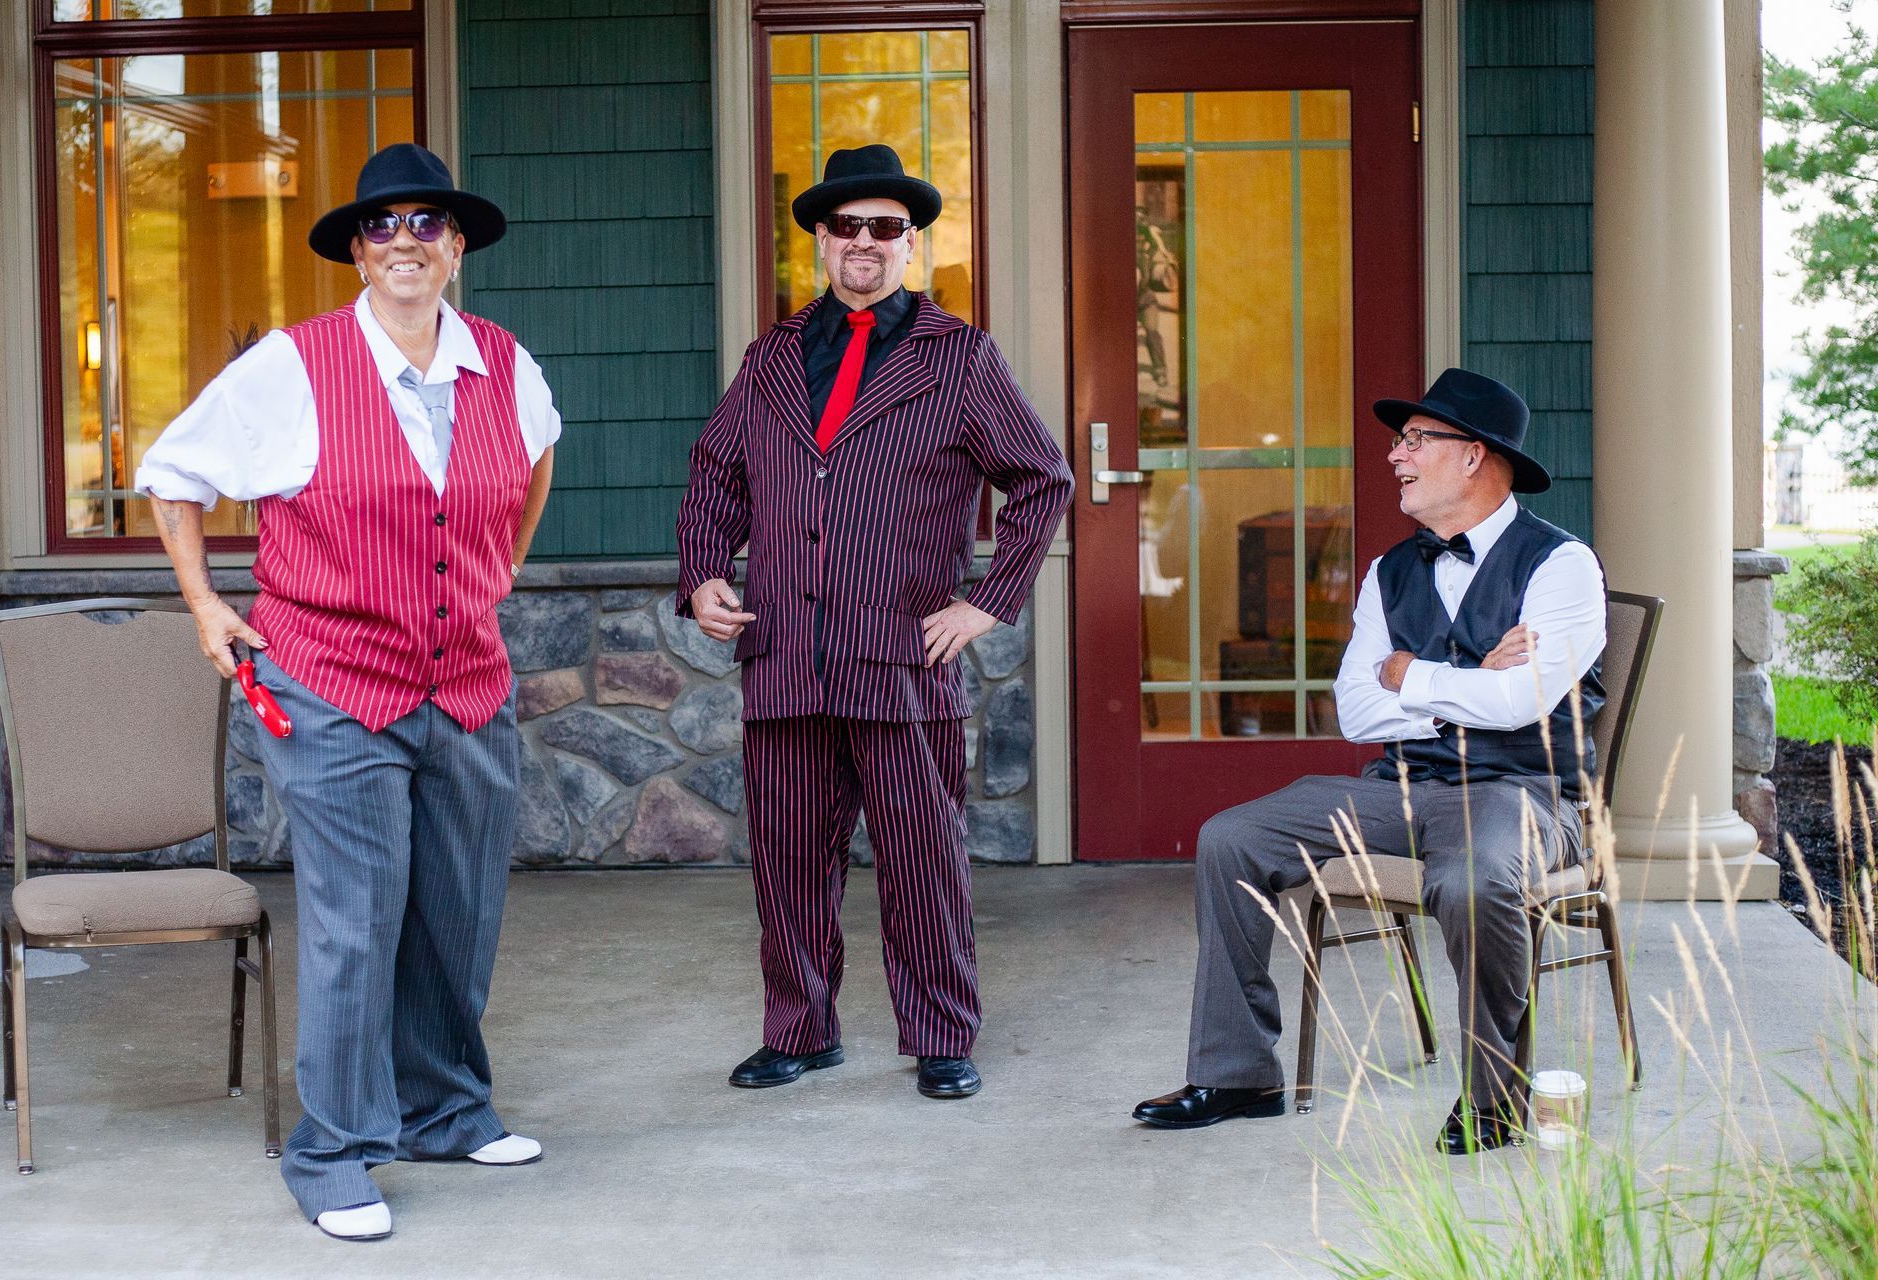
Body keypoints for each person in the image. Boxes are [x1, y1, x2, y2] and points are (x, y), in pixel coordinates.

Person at [136, 143, 561, 1239]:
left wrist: (494, 572)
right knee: (355, 923)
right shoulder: (293, 365)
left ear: (457, 246)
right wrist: (204, 605)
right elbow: (171, 473)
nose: (406, 241)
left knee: (458, 913)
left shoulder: (505, 364)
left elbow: (535, 462)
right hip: (330, 684)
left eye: (428, 223)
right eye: (383, 226)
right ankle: (333, 1151)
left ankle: (447, 1109)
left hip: (465, 678)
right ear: (359, 253)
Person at [676, 144, 1074, 1101]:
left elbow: (1041, 479)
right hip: (786, 655)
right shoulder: (771, 355)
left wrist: (987, 601)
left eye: (885, 228)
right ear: (820, 239)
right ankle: (800, 1030)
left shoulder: (959, 356)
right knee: (787, 865)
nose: (864, 242)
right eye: (846, 225)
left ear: (911, 245)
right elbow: (716, 471)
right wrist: (700, 577)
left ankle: (940, 1034)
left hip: (898, 655)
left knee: (921, 855)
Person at [1131, 368, 1607, 1154]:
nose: (1396, 456)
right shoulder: (1392, 572)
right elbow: (1354, 711)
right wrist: (1469, 679)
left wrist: (1410, 677)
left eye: (1417, 440)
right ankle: (1239, 1074)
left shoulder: (1563, 568)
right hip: (1402, 791)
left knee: (1477, 878)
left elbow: (1521, 706)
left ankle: (1494, 1096)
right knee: (1232, 836)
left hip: (1522, 796)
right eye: (1401, 440)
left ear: (1474, 457)